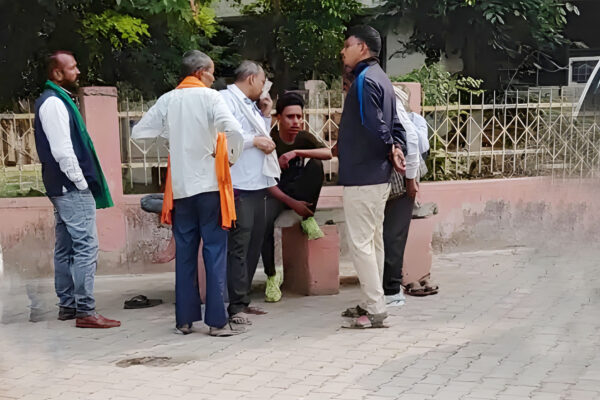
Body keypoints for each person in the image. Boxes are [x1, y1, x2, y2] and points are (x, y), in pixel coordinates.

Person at [132, 50, 245, 336]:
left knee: (185, 254)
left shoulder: (168, 100)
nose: (213, 78)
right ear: (199, 72)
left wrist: (173, 136)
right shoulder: (210, 97)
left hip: (181, 190)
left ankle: (184, 320)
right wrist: (230, 157)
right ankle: (217, 323)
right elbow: (234, 130)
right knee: (214, 253)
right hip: (210, 187)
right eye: (211, 72)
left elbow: (139, 133)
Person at [33, 51, 120, 328]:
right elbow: (63, 151)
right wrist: (81, 183)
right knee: (85, 246)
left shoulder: (55, 100)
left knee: (67, 246)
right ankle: (85, 310)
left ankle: (68, 306)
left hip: (61, 185)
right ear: (57, 73)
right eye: (72, 67)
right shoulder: (54, 103)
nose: (78, 71)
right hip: (69, 186)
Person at [338, 26, 406, 329]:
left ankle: (376, 309)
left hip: (363, 174)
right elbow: (395, 123)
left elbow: (373, 123)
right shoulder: (382, 78)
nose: (343, 51)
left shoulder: (365, 81)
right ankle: (371, 301)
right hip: (378, 175)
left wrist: (391, 146)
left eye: (347, 46)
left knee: (361, 244)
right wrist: (397, 146)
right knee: (373, 241)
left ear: (362, 48)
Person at [220, 61, 279, 325]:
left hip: (258, 183)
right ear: (252, 78)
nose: (264, 88)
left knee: (255, 243)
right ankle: (236, 305)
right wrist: (254, 141)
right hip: (239, 184)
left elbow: (260, 135)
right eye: (263, 81)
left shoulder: (250, 105)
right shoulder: (226, 100)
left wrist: (265, 115)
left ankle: (244, 300)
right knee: (239, 247)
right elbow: (223, 137)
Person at [260, 92, 333, 302]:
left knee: (316, 166)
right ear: (278, 118)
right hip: (275, 193)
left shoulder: (304, 138)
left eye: (299, 117)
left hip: (297, 188)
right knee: (264, 222)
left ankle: (308, 217)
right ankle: (272, 276)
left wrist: (297, 153)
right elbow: (266, 184)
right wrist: (293, 204)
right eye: (290, 117)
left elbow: (328, 153)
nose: (296, 122)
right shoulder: (270, 140)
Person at [382, 85, 422, 306]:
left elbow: (411, 138)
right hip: (387, 175)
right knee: (385, 235)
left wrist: (410, 179)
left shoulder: (387, 100)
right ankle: (385, 288)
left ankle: (392, 291)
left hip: (402, 174)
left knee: (393, 236)